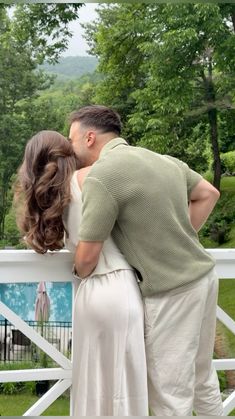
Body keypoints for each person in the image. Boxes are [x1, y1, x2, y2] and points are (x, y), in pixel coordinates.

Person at [68, 105, 224, 416]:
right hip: (204, 277)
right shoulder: (160, 160)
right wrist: (177, 235)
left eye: (70, 139)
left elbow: (87, 256)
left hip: (172, 292)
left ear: (89, 138)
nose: (68, 147)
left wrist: (77, 269)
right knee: (203, 378)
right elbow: (209, 193)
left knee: (170, 395)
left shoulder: (103, 175)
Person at [14, 130, 148, 416]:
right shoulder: (90, 178)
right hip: (117, 286)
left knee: (92, 386)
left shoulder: (56, 194)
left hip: (89, 295)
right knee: (123, 385)